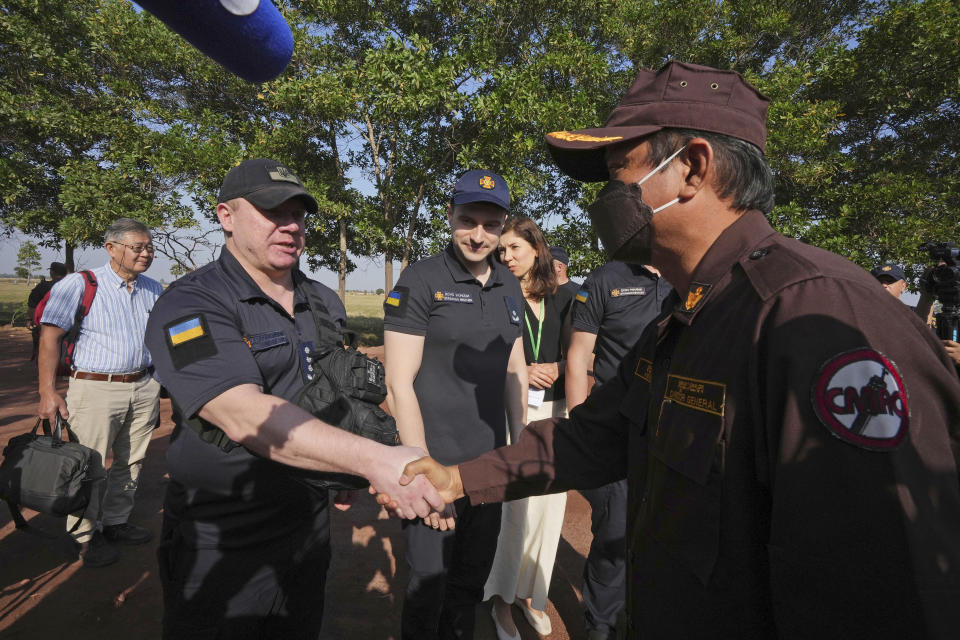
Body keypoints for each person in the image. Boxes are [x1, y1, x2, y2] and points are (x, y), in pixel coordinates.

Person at [390, 61, 960, 638]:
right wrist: (458, 479)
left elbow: (880, 583)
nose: (608, 197)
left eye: (619, 172)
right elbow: (597, 436)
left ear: (691, 167)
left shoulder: (814, 315)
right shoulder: (687, 314)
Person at [143, 158, 444, 639]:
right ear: (225, 215)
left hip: (308, 524)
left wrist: (338, 467)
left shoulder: (323, 299)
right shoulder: (192, 302)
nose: (290, 226)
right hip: (224, 531)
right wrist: (374, 461)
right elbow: (242, 414)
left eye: (298, 214)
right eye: (271, 212)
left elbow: (335, 385)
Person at [383, 169, 527, 640]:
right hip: (434, 462)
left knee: (468, 586)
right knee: (428, 587)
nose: (478, 234)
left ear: (503, 225)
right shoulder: (421, 279)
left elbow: (514, 369)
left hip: (486, 466)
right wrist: (423, 470)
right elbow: (398, 383)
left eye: (490, 224)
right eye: (468, 220)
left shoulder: (509, 284)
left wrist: (519, 446)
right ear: (450, 217)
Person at [37, 220, 164, 568]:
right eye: (137, 247)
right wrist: (48, 392)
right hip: (95, 388)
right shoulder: (79, 284)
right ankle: (84, 536)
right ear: (111, 248)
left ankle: (116, 522)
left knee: (132, 460)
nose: (146, 253)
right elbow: (50, 337)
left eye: (149, 247)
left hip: (143, 386)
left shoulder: (155, 289)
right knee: (89, 465)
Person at [565, 260, 671, 639]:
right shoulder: (606, 279)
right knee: (615, 536)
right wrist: (582, 429)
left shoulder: (690, 271)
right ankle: (601, 628)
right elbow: (579, 356)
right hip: (617, 433)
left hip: (674, 434)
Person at [485, 216, 574, 639]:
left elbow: (584, 351)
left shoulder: (564, 297)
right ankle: (500, 603)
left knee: (547, 512)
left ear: (536, 250)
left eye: (513, 249)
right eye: (502, 251)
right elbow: (486, 355)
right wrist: (525, 367)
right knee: (514, 512)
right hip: (514, 414)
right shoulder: (496, 296)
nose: (506, 257)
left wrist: (554, 366)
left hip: (556, 415)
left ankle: (530, 596)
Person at [27, 261, 68, 360]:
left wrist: (30, 320)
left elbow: (32, 305)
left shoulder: (43, 287)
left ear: (52, 272)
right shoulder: (73, 286)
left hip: (46, 325)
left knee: (45, 352)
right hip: (69, 325)